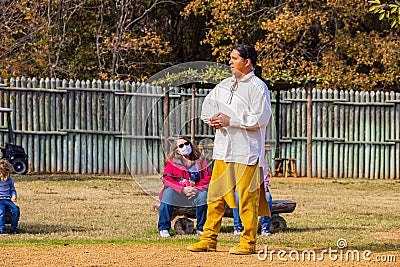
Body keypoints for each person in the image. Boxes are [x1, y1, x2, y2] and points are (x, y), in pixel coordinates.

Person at [187, 44, 272, 255]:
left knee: (246, 198)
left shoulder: (258, 87)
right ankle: (208, 239)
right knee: (214, 196)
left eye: (234, 58)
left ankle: (248, 242)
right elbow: (207, 107)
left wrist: (230, 120)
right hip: (223, 150)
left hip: (247, 152)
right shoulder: (224, 85)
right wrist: (213, 120)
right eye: (230, 58)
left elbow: (261, 118)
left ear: (247, 62)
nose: (230, 61)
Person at [158, 136, 212, 238]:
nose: (185, 146)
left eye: (187, 144)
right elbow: (167, 180)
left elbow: (208, 177)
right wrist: (182, 189)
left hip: (195, 193)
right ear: (177, 150)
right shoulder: (171, 162)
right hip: (178, 194)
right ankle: (164, 228)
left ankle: (201, 228)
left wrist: (196, 189)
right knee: (167, 193)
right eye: (181, 145)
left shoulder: (200, 160)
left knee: (204, 195)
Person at [232, 164, 273, 236]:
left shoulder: (260, 160)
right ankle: (237, 226)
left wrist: (264, 188)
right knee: (237, 199)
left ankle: (265, 227)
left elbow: (265, 178)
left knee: (268, 198)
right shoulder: (239, 162)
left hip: (259, 187)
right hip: (242, 188)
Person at [0, 159, 20, 234]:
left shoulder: (10, 180)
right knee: (1, 211)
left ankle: (13, 228)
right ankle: (2, 229)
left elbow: (12, 190)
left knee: (15, 210)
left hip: (7, 200)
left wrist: (14, 196)